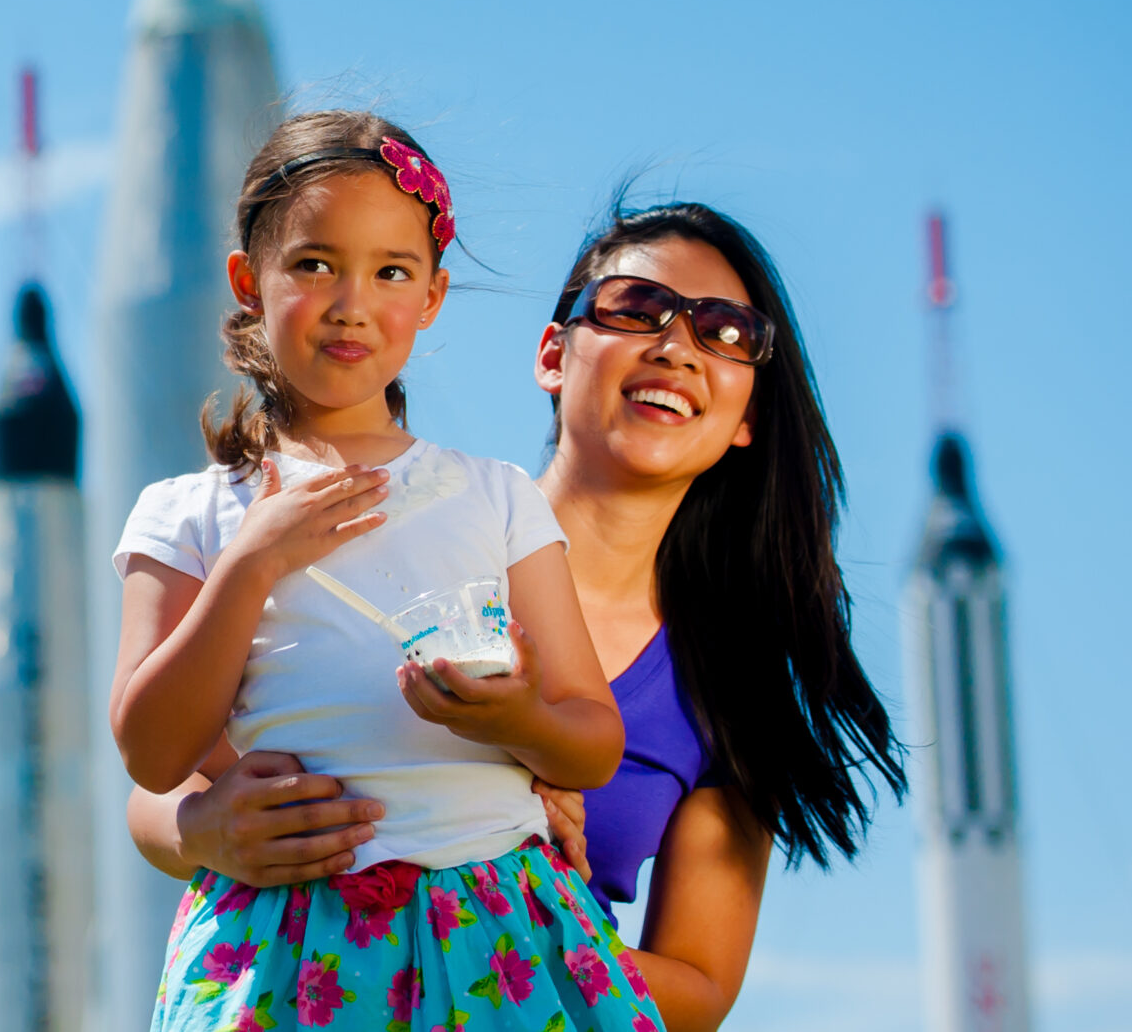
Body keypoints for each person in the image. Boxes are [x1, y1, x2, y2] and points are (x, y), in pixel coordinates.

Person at [126, 197, 905, 1031]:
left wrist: (499, 928)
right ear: (553, 354)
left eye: (725, 331)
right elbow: (162, 777)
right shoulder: (428, 518)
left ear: (749, 412)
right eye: (636, 309)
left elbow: (702, 985)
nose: (676, 345)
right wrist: (205, 831)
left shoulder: (727, 690)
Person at [111, 110, 652, 1032]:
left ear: (433, 297)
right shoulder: (189, 513)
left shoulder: (496, 496)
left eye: (391, 271)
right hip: (288, 939)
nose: (351, 300)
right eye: (315, 263)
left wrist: (518, 716)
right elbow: (153, 752)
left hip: (497, 929)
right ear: (251, 282)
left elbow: (591, 738)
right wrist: (249, 565)